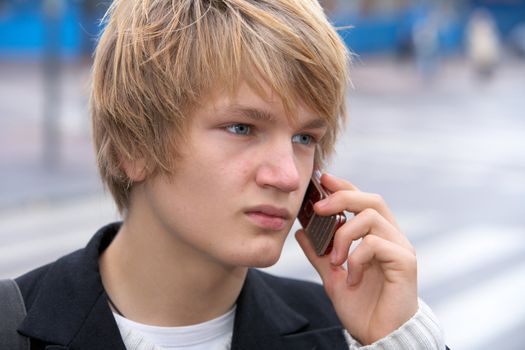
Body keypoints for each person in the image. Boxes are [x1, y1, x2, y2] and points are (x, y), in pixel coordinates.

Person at [14, 0, 448, 349]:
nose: (288, 177)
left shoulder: (340, 330)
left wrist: (395, 337)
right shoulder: (10, 324)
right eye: (241, 128)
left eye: (304, 138)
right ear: (134, 145)